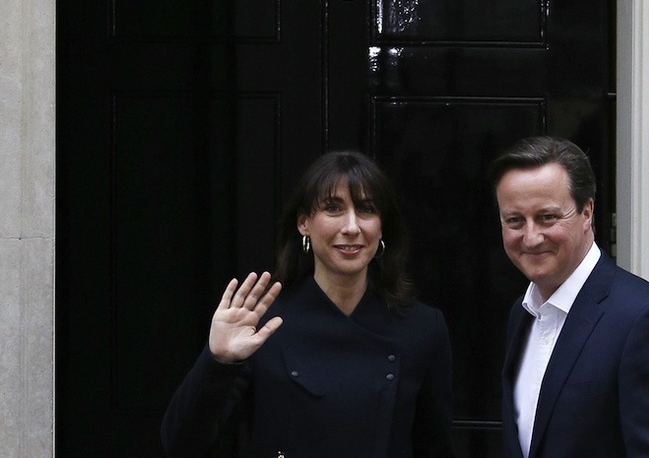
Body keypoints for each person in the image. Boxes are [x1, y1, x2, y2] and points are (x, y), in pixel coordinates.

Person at [161, 150, 455, 458]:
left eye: (366, 209)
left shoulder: (423, 328)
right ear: (304, 223)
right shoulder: (263, 325)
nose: (352, 227)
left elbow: (435, 448)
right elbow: (180, 443)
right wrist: (217, 361)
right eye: (333, 208)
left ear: (382, 227)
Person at [490, 136, 649, 458]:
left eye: (547, 217)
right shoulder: (522, 313)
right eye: (515, 221)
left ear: (587, 211)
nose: (531, 237)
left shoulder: (645, 321)